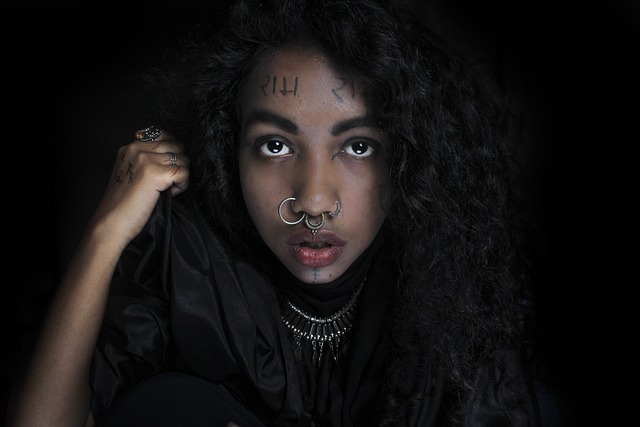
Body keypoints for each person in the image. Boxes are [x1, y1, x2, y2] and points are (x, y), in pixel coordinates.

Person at [5, 0, 551, 425]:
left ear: (409, 155)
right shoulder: (186, 260)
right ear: (230, 148)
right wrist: (105, 233)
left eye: (359, 146)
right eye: (275, 145)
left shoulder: (452, 273)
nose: (313, 202)